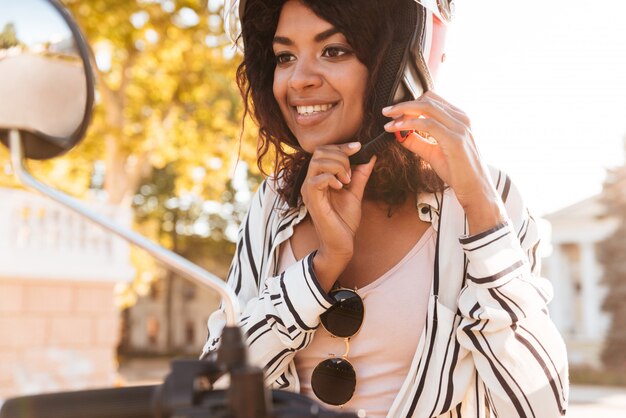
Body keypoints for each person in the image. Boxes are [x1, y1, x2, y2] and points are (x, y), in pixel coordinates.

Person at [203, 0, 569, 416]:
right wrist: (320, 269)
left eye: (333, 50)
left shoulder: (485, 197)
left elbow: (537, 407)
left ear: (401, 64)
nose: (298, 80)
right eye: (285, 56)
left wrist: (482, 213)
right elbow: (214, 389)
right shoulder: (275, 202)